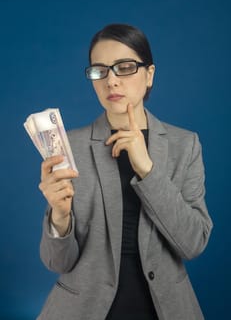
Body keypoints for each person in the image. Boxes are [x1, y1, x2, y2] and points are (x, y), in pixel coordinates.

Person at [37, 23, 213, 320]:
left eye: (125, 67)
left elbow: (193, 244)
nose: (112, 81)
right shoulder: (69, 147)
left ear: (150, 75)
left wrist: (147, 170)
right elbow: (58, 263)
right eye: (100, 70)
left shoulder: (186, 145)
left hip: (166, 309)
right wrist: (60, 218)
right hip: (83, 310)